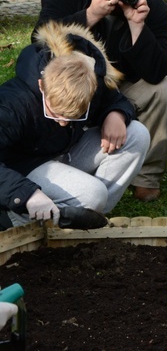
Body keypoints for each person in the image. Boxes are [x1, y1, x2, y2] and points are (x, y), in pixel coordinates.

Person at [34, 0, 167, 203]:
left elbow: (157, 72)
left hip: (124, 87)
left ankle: (147, 177)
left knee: (166, 91)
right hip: (80, 86)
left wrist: (138, 26)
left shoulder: (154, 7)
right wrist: (91, 14)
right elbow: (39, 43)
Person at [0, 21, 149, 227]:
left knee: (137, 134)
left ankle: (89, 217)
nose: (63, 123)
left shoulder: (87, 76)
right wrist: (25, 194)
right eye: (55, 113)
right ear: (42, 86)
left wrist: (117, 114)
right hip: (24, 166)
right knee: (92, 193)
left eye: (74, 116)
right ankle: (16, 219)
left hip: (67, 151)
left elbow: (114, 99)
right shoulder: (13, 103)